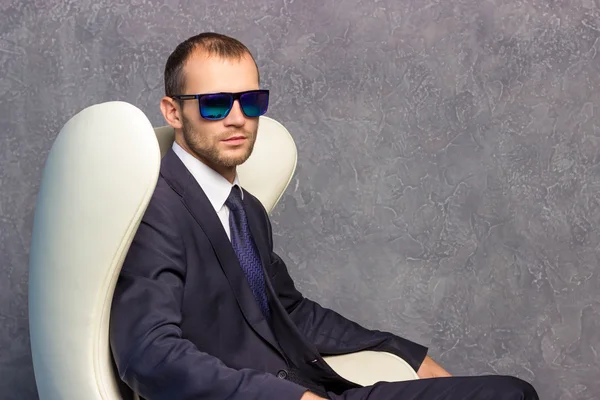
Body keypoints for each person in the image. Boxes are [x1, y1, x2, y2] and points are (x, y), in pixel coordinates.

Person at [109, 32, 539, 400]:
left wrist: (404, 351)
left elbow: (290, 312)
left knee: (508, 393)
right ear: (173, 112)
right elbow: (148, 353)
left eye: (251, 101)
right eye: (216, 104)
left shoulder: (245, 210)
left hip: (318, 385)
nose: (238, 119)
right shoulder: (153, 208)